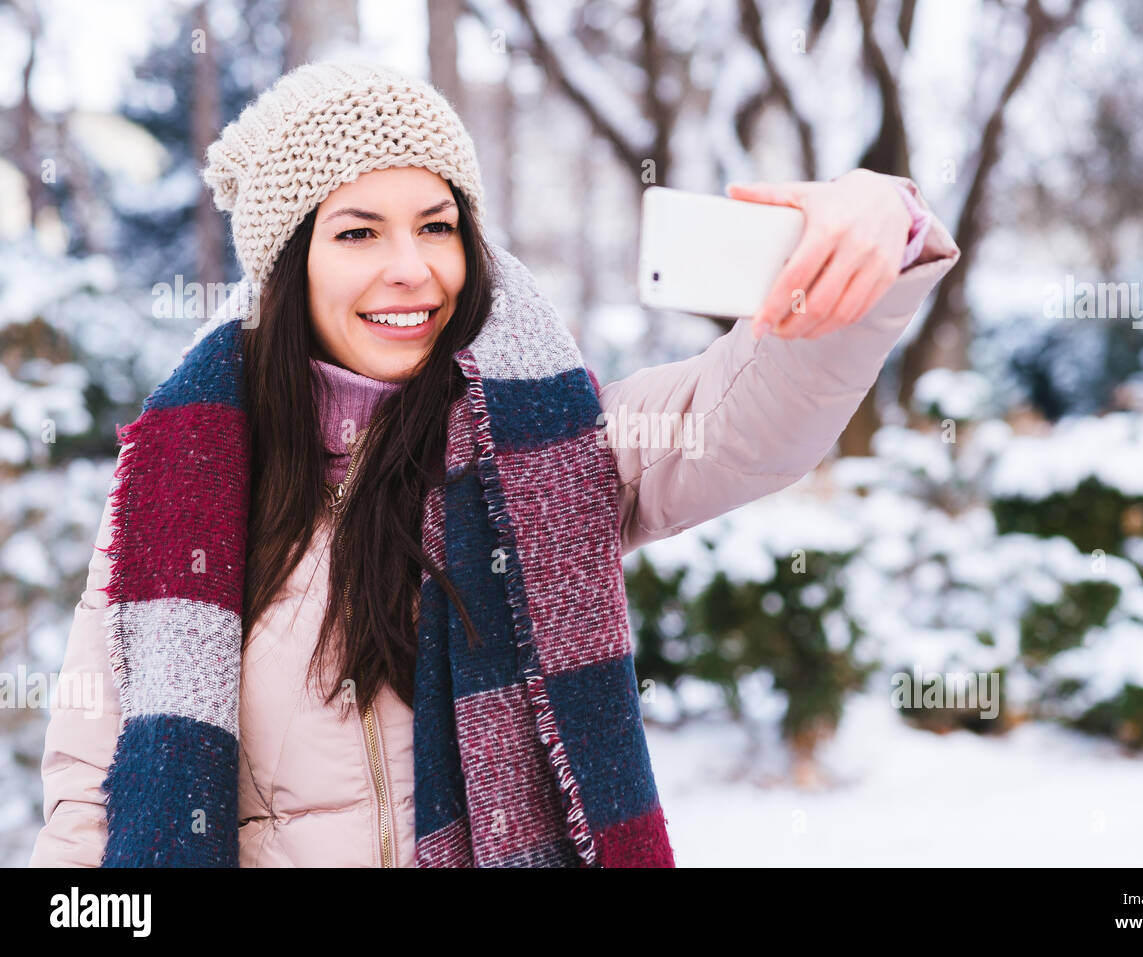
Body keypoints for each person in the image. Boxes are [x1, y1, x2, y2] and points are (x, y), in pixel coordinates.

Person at [29, 59, 959, 868]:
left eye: (437, 226)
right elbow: (88, 799)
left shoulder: (544, 446)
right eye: (358, 232)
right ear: (287, 262)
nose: (413, 268)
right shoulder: (176, 492)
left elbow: (752, 415)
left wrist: (882, 229)